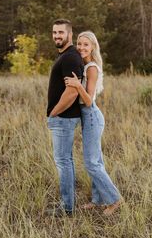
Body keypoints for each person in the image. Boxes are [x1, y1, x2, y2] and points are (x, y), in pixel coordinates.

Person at [64, 31, 123, 216]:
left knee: (91, 163)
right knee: (96, 161)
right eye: (79, 44)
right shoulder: (83, 64)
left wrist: (77, 85)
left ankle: (115, 199)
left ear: (93, 47)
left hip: (91, 116)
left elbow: (88, 100)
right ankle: (98, 200)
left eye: (86, 45)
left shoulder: (91, 68)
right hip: (88, 117)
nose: (81, 47)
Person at [47, 19, 84, 216]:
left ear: (70, 34)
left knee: (63, 161)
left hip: (63, 118)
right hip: (64, 118)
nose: (57, 36)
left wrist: (54, 112)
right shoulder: (66, 56)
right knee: (66, 160)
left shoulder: (70, 57)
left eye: (61, 32)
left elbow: (72, 93)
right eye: (54, 32)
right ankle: (68, 205)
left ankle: (67, 207)